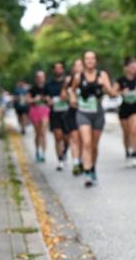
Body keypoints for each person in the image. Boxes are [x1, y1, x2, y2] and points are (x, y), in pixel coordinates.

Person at [67, 50, 115, 187]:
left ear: (96, 61)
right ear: (83, 61)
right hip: (83, 113)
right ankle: (87, 172)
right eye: (87, 58)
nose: (89, 61)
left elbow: (111, 93)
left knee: (94, 145)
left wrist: (104, 85)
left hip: (98, 113)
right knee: (86, 142)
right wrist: (72, 98)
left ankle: (93, 168)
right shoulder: (78, 76)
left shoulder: (102, 75)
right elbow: (71, 89)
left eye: (92, 58)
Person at [114, 57, 136, 168]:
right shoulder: (121, 80)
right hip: (124, 108)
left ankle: (135, 153)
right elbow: (113, 92)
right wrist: (121, 92)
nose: (134, 69)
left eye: (135, 67)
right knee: (127, 132)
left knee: (134, 129)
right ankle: (127, 151)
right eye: (132, 67)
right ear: (126, 68)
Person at [47, 61, 72, 171]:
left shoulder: (68, 82)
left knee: (67, 138)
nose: (58, 70)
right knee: (58, 136)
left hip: (67, 113)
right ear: (53, 70)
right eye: (56, 68)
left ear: (63, 69)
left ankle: (65, 152)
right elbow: (45, 97)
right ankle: (60, 159)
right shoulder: (49, 84)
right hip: (55, 113)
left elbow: (73, 95)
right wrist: (48, 100)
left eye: (60, 68)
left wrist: (67, 98)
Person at [26, 70, 52, 162]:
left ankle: (43, 153)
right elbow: (28, 100)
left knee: (43, 133)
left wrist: (47, 99)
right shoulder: (32, 89)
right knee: (37, 133)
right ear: (36, 78)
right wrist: (34, 100)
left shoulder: (48, 88)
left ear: (44, 78)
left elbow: (51, 102)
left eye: (42, 77)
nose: (40, 79)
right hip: (35, 110)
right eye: (38, 77)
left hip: (44, 110)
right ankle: (37, 151)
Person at [66, 59, 84, 176]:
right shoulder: (68, 80)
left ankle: (82, 160)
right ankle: (76, 162)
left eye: (80, 65)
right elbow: (64, 95)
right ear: (73, 68)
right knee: (74, 138)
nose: (78, 68)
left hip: (84, 112)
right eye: (76, 66)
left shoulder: (88, 80)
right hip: (73, 112)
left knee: (83, 139)